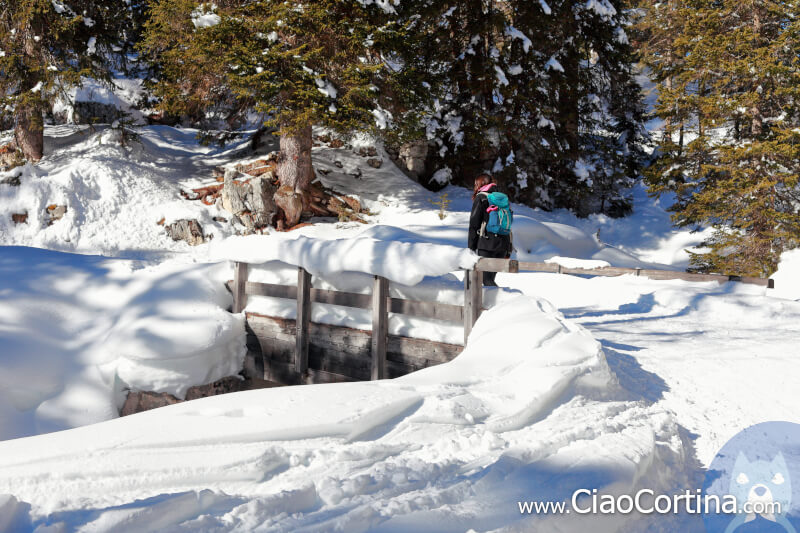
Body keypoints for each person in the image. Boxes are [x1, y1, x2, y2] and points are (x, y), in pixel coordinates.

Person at [468, 174, 512, 286]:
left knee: (486, 280)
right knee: (489, 279)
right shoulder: (502, 198)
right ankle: (494, 302)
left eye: (475, 184)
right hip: (503, 245)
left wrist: (471, 248)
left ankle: (506, 301)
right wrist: (509, 249)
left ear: (480, 184)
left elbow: (474, 224)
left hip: (487, 245)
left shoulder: (481, 197)